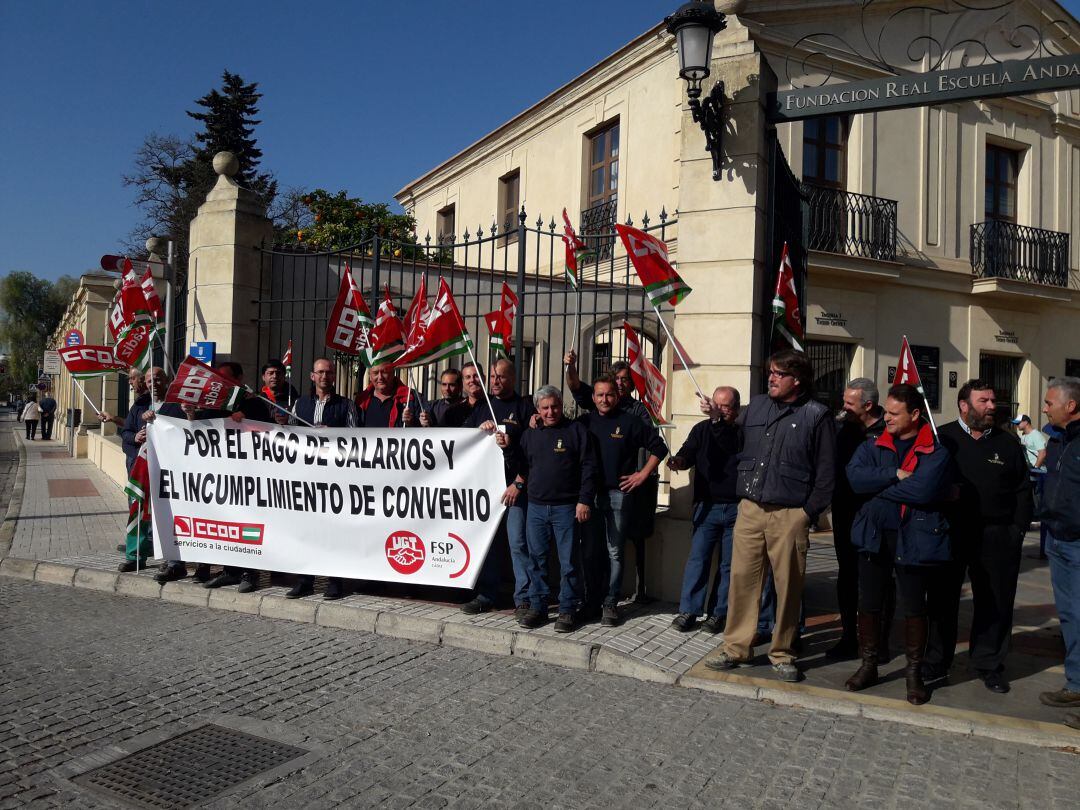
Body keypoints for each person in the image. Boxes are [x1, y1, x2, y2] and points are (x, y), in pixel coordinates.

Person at [704, 349, 835, 683]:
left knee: (788, 587)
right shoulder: (758, 405)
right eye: (771, 372)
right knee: (742, 582)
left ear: (798, 379)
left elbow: (826, 473)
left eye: (779, 373)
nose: (771, 378)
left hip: (790, 513)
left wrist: (807, 514)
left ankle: (783, 652)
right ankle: (736, 648)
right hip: (750, 509)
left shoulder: (816, 415)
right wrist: (718, 421)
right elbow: (733, 443)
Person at [844, 384, 952, 705]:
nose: (886, 418)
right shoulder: (874, 443)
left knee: (914, 607)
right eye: (886, 412)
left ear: (915, 414)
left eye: (893, 413)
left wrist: (879, 486)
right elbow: (854, 479)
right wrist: (894, 473)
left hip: (915, 537)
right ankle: (869, 665)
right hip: (875, 535)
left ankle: (914, 674)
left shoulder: (936, 450)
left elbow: (924, 491)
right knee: (870, 602)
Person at [926, 380, 1033, 694]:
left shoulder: (1007, 443)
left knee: (995, 601)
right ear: (964, 405)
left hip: (997, 536)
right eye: (984, 400)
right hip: (950, 533)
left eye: (993, 400)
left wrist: (1017, 530)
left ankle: (989, 664)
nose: (991, 406)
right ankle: (936, 660)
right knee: (943, 600)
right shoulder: (941, 438)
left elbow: (1023, 491)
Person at [565, 350, 665, 602]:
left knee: (615, 551)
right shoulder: (584, 422)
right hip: (589, 495)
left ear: (618, 394)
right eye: (600, 395)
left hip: (619, 495)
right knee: (588, 550)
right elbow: (558, 428)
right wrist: (536, 420)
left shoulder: (630, 420)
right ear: (594, 397)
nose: (605, 399)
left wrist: (642, 475)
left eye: (610, 394)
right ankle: (591, 600)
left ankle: (611, 601)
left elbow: (659, 447)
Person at [501, 385, 596, 632]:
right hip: (536, 507)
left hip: (567, 508)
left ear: (561, 404)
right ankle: (538, 607)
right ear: (538, 410)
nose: (551, 412)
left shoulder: (576, 431)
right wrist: (508, 447)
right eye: (545, 408)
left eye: (554, 406)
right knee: (536, 560)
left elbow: (588, 467)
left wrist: (584, 500)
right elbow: (521, 465)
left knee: (569, 563)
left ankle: (567, 610)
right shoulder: (530, 435)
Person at [186, 362, 272, 594]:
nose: (222, 382)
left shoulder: (252, 400)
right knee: (227, 523)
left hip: (248, 476)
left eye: (227, 378)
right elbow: (201, 429)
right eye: (219, 378)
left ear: (239, 377)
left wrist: (247, 416)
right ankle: (230, 570)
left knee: (248, 524)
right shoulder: (214, 403)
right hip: (223, 477)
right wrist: (191, 415)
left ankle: (249, 573)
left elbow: (267, 425)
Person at [461, 358, 536, 615]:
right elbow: (462, 440)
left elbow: (533, 452)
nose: (495, 381)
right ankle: (486, 594)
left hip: (515, 490)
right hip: (487, 490)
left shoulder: (525, 408)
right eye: (492, 377)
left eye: (501, 377)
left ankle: (523, 598)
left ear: (513, 378)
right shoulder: (483, 407)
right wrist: (478, 430)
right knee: (489, 544)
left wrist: (519, 482)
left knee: (518, 543)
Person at [669, 386, 742, 633]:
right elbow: (688, 453)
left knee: (728, 565)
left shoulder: (741, 432)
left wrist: (716, 419)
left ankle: (718, 613)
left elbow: (728, 443)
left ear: (736, 409)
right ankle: (689, 611)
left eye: (725, 407)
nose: (720, 410)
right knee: (698, 560)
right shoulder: (701, 429)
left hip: (736, 508)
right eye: (717, 404)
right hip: (707, 506)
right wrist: (678, 461)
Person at [286, 358, 359, 600]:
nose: (324, 376)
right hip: (307, 478)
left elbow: (356, 440)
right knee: (307, 530)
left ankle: (334, 581)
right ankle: (305, 580)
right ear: (312, 376)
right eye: (320, 372)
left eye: (328, 372)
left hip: (334, 478)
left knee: (332, 531)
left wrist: (334, 436)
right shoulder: (300, 404)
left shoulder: (346, 405)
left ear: (334, 377)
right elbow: (290, 436)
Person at [829, 378, 889, 659]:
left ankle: (878, 642)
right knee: (848, 576)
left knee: (879, 580)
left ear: (868, 405)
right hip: (845, 511)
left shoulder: (889, 429)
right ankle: (848, 637)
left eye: (849, 403)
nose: (844, 407)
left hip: (878, 514)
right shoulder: (841, 428)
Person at [1035, 377, 1080, 729]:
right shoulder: (1058, 438)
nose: (1045, 408)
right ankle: (1076, 684)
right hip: (1058, 540)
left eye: (1050, 402)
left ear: (1071, 405)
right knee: (1069, 616)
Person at [126, 368, 188, 582]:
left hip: (169, 471)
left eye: (158, 379)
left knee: (167, 514)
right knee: (138, 511)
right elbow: (125, 433)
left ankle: (171, 560)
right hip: (143, 469)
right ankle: (135, 556)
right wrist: (136, 436)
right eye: (150, 380)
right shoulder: (140, 405)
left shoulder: (176, 405)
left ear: (167, 381)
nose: (154, 383)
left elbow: (187, 429)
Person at [1014, 414, 1049, 559]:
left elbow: (1042, 452)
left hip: (1038, 476)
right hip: (1029, 476)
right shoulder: (1023, 437)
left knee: (1040, 508)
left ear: (1026, 422)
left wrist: (1035, 467)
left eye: (1018, 423)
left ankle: (1045, 549)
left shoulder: (1036, 435)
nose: (1017, 425)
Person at [355, 363, 422, 427]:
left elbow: (427, 429)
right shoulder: (360, 401)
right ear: (370, 376)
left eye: (385, 372)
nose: (380, 377)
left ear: (393, 373)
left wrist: (412, 423)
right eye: (375, 373)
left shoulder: (412, 398)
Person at [421, 363, 480, 427]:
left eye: (451, 385)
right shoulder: (432, 406)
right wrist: (425, 423)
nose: (447, 389)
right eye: (444, 384)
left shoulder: (468, 407)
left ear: (460, 386)